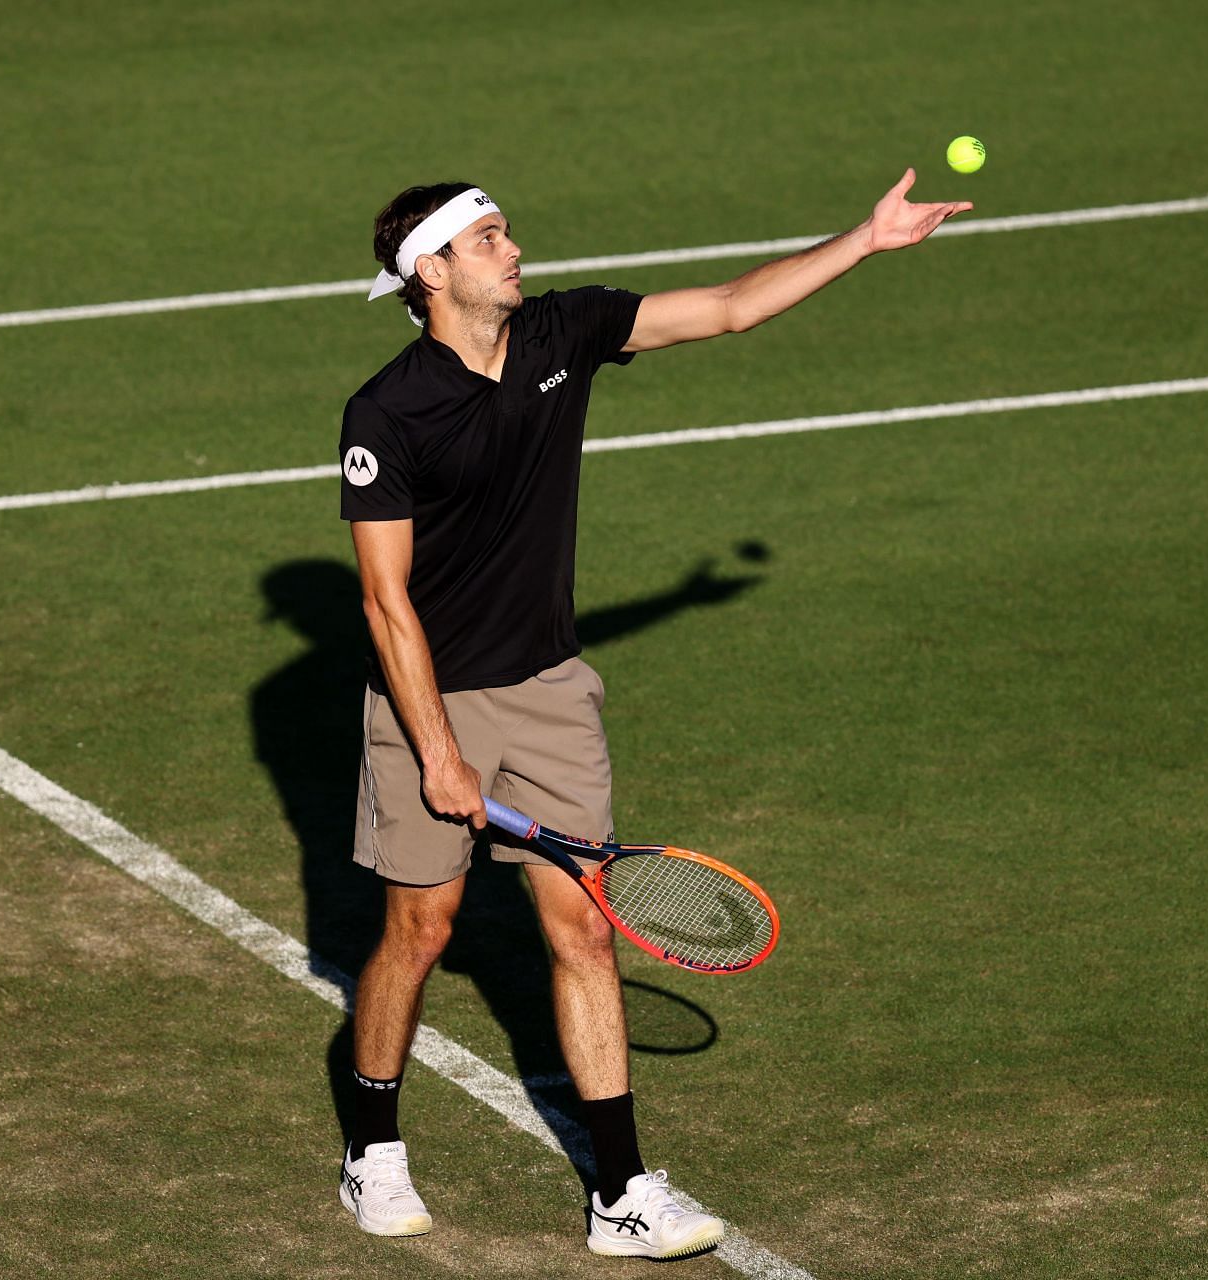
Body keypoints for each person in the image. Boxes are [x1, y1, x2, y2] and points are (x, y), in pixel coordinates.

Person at [335, 173, 969, 1257]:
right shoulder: (387, 411)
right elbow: (386, 601)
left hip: (550, 691)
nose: (514, 248)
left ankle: (621, 1190)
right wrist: (438, 750)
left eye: (508, 230)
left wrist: (861, 240)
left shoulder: (565, 331)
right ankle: (374, 1149)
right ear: (431, 271)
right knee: (421, 929)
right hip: (428, 701)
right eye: (488, 238)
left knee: (581, 922)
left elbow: (726, 306)